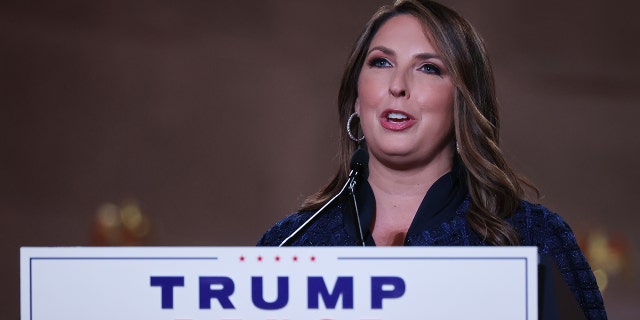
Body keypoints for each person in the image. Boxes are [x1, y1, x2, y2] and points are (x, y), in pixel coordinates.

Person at [258, 0, 607, 318]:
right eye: (381, 62)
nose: (398, 85)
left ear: (463, 105)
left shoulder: (532, 237)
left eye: (428, 68)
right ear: (357, 100)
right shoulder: (288, 246)